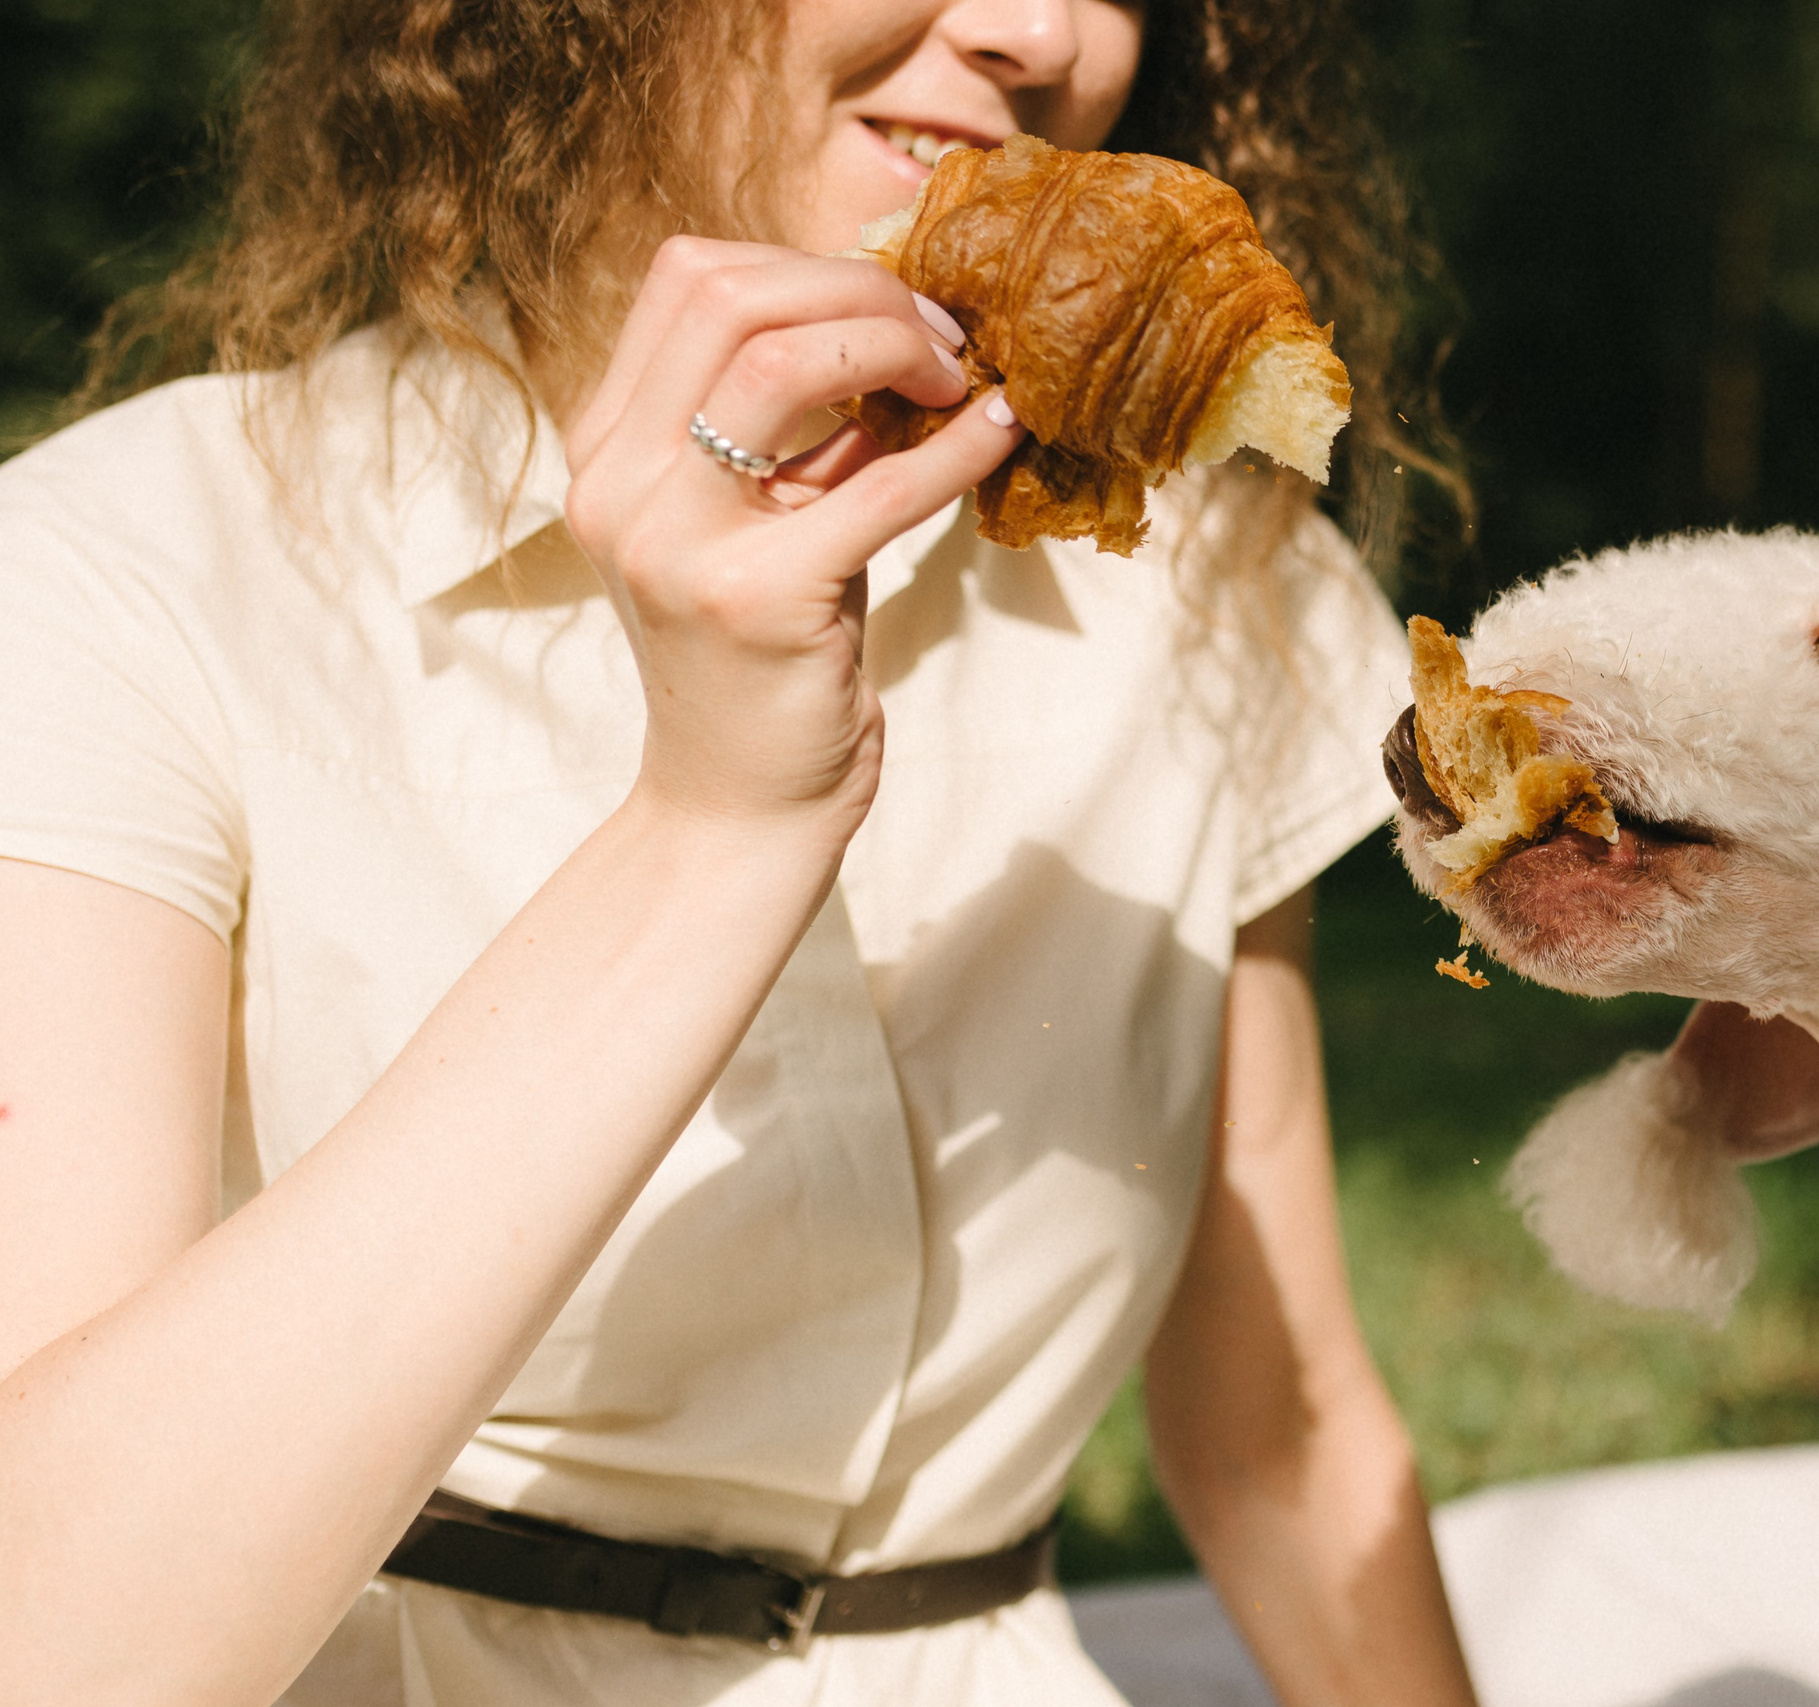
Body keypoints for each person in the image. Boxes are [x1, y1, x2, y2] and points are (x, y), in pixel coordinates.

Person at [0, 1, 1478, 1703]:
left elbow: (1278, 1440)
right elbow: (59, 1644)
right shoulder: (123, 575)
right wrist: (714, 824)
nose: (1043, 28)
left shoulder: (1200, 565)